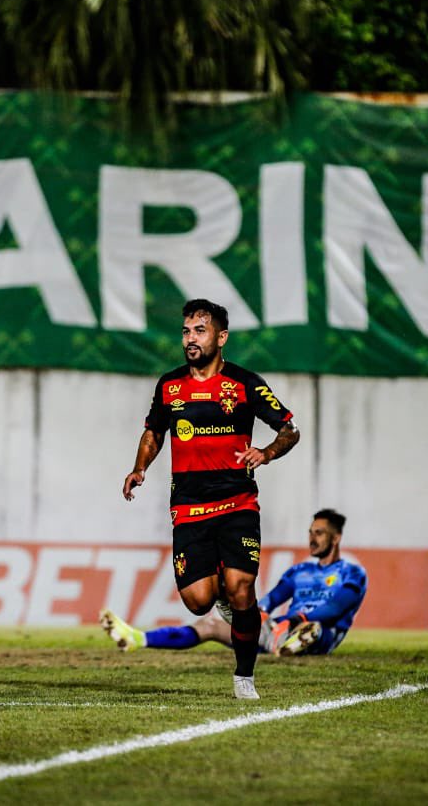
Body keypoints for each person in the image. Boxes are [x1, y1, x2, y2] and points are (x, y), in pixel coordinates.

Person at [122, 298, 300, 700]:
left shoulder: (245, 383)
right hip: (188, 506)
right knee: (199, 601)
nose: (190, 338)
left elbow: (289, 430)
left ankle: (244, 678)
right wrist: (140, 468)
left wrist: (267, 452)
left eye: (199, 331)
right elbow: (154, 433)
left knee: (242, 588)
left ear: (221, 337)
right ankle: (223, 596)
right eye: (186, 331)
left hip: (238, 502)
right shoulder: (169, 385)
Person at [101, 508, 367, 658]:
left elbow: (336, 608)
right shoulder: (299, 571)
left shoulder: (353, 573)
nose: (312, 538)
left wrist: (294, 619)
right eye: (310, 532)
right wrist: (258, 615)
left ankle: (296, 642)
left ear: (336, 538)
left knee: (316, 627)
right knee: (209, 624)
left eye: (319, 533)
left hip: (317, 630)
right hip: (280, 629)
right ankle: (138, 638)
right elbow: (273, 598)